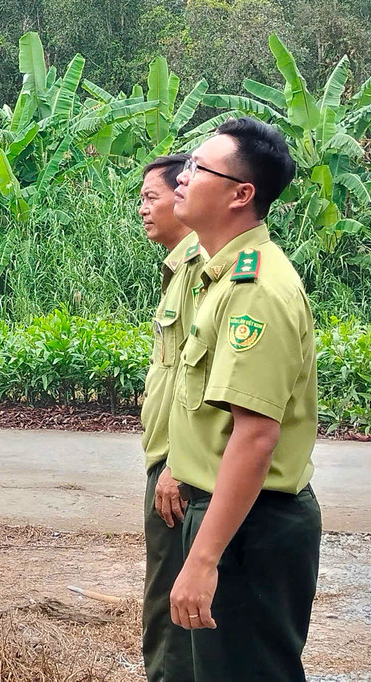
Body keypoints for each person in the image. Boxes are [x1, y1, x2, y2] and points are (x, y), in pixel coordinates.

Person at [167, 117, 321, 681]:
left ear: (241, 194)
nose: (181, 178)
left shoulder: (255, 291)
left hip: (250, 526)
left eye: (197, 169)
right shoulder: (219, 277)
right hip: (227, 514)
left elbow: (255, 435)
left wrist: (205, 559)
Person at [137, 153, 205, 682]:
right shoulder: (178, 270)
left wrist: (176, 465)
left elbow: (196, 386)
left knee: (171, 603)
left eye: (152, 197)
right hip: (166, 458)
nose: (144, 208)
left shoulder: (201, 270)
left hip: (177, 466)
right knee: (164, 596)